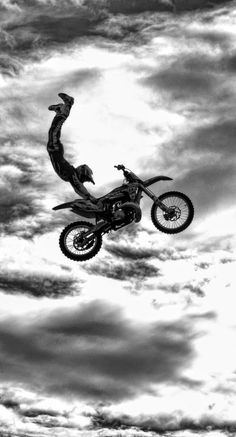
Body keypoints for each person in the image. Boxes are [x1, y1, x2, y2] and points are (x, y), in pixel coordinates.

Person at [47, 92, 98, 206]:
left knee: (54, 130)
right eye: (84, 178)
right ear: (81, 173)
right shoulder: (72, 174)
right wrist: (90, 198)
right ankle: (68, 105)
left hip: (55, 151)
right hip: (55, 150)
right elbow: (78, 187)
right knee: (54, 131)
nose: (83, 181)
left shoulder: (71, 174)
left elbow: (78, 187)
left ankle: (59, 112)